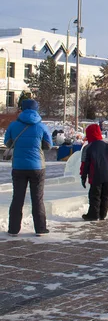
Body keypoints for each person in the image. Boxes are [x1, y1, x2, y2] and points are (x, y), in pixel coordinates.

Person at [5, 99, 52, 236]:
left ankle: (13, 229)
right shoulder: (42, 127)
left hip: (19, 167)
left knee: (17, 198)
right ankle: (40, 229)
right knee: (37, 198)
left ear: (22, 109)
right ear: (36, 109)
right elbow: (48, 146)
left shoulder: (13, 125)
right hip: (37, 167)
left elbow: (8, 143)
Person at [80, 124, 108, 221]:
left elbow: (84, 164)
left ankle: (93, 215)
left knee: (94, 195)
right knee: (106, 195)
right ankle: (102, 214)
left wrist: (83, 176)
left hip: (95, 175)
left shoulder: (87, 148)